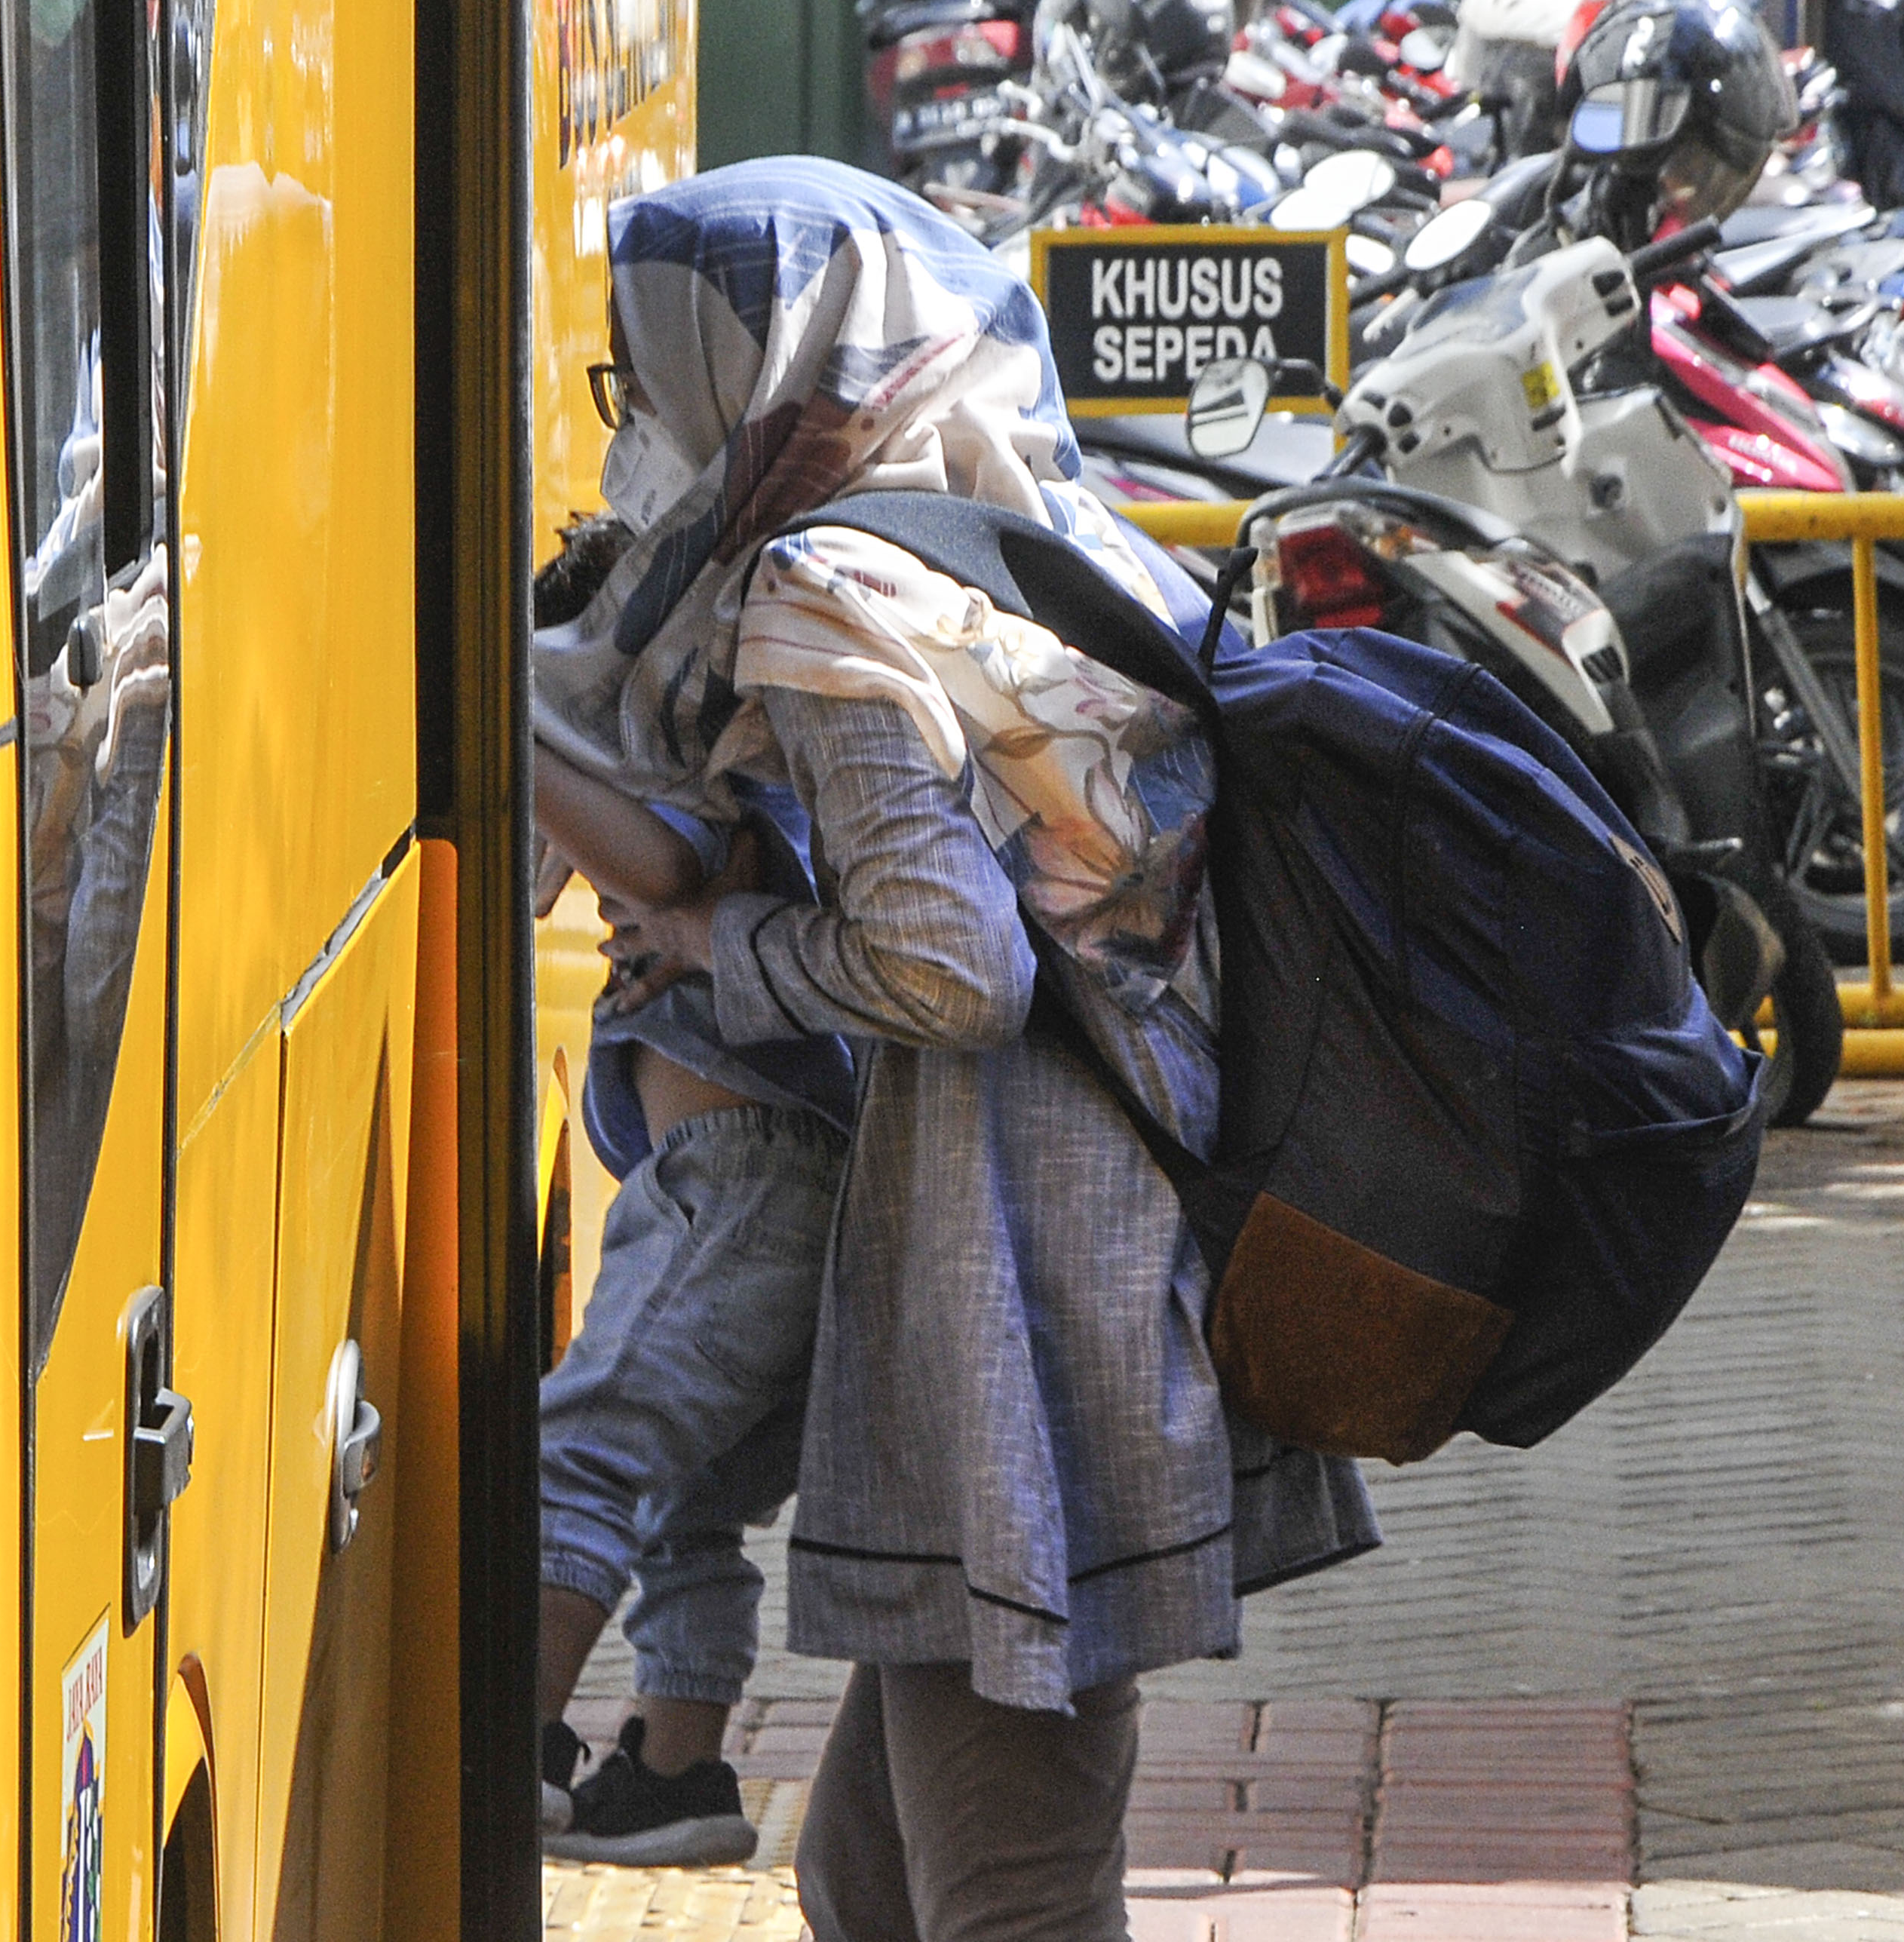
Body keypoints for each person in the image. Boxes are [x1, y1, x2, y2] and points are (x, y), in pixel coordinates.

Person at [533, 155, 1381, 1935]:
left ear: (757, 357)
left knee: (1002, 1890)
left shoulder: (835, 597)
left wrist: (709, 940)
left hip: (1021, 1290)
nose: (638, 415)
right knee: (871, 1874)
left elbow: (949, 966)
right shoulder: (1022, 530)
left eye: (646, 368)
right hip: (1088, 1245)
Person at [527, 681, 856, 1866]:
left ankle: (509, 1737)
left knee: (577, 1449)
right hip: (774, 1182)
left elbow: (662, 871)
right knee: (688, 1505)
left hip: (741, 1179)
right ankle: (675, 1772)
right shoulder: (742, 751)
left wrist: (511, 717)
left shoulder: (703, 762)